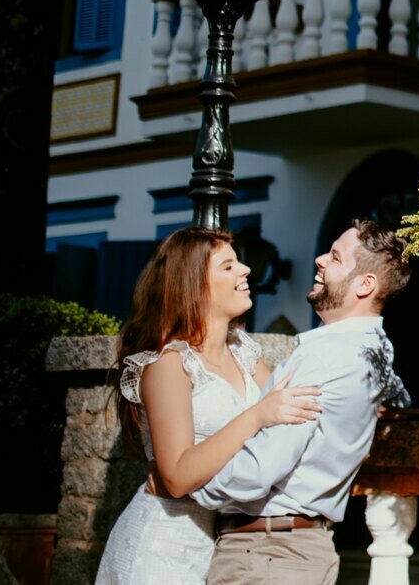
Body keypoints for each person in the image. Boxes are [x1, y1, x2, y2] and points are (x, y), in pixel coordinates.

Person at [95, 228, 324, 585]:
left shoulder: (244, 355)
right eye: (228, 266)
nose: (245, 270)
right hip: (160, 550)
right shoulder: (169, 363)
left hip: (219, 546)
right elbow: (176, 476)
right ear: (194, 284)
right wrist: (256, 416)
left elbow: (293, 408)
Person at [194, 218, 412, 585]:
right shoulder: (375, 348)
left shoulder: (327, 357)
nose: (319, 260)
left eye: (336, 257)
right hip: (300, 550)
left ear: (365, 284)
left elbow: (260, 471)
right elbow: (400, 400)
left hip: (266, 554)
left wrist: (189, 480)